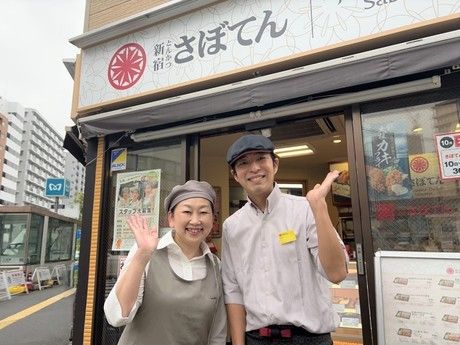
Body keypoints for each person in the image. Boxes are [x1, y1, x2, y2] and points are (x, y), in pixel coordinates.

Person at [221, 134, 348, 345]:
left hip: (308, 339)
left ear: (275, 164)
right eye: (243, 163)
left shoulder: (305, 209)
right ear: (235, 174)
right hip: (255, 339)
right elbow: (233, 290)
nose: (254, 168)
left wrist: (319, 207)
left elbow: (337, 273)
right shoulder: (232, 226)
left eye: (261, 158)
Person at [104, 180, 227, 345]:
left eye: (204, 212)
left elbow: (216, 332)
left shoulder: (215, 265)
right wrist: (142, 255)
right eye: (187, 212)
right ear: (171, 218)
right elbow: (116, 315)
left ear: (213, 220)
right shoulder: (146, 251)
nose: (196, 220)